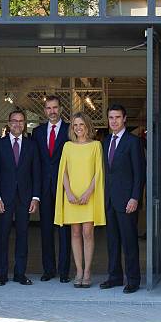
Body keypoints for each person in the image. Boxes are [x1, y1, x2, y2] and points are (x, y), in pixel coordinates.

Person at [54, 112, 105, 288]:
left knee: (87, 233)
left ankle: (88, 271)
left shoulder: (96, 145)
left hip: (88, 195)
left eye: (81, 124)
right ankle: (79, 271)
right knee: (75, 233)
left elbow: (98, 171)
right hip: (72, 196)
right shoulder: (67, 146)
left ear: (88, 126)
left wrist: (89, 192)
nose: (78, 128)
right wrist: (67, 192)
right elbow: (63, 171)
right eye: (75, 125)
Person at [0, 109, 41, 286]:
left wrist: (35, 197)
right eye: (14, 121)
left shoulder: (32, 145)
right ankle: (2, 274)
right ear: (8, 122)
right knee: (3, 236)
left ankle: (20, 273)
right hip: (4, 198)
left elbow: (36, 173)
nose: (17, 124)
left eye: (21, 121)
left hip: (25, 198)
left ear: (24, 123)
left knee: (23, 236)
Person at [99, 104, 145, 294]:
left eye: (117, 117)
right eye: (111, 118)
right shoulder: (105, 140)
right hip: (109, 200)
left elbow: (139, 173)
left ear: (124, 119)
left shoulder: (133, 142)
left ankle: (133, 279)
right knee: (112, 241)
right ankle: (115, 277)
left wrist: (135, 198)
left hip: (127, 201)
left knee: (129, 242)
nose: (114, 121)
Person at [32, 96, 72, 283]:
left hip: (64, 187)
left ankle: (64, 271)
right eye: (48, 108)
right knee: (46, 230)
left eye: (55, 107)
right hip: (44, 189)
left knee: (64, 231)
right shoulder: (37, 132)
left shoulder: (69, 129)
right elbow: (36, 163)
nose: (52, 111)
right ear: (45, 110)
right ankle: (49, 269)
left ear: (61, 108)